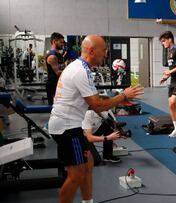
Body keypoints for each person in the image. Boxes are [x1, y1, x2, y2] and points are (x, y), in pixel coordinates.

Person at [48, 35, 144, 203]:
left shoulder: (81, 67)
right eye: (104, 50)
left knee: (88, 164)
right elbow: (96, 106)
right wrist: (122, 96)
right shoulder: (81, 71)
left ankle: (88, 201)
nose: (106, 54)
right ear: (92, 51)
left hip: (71, 125)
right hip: (66, 128)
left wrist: (117, 98)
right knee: (76, 175)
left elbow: (94, 99)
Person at [46, 32, 66, 105]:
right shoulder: (52, 56)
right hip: (53, 86)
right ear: (54, 41)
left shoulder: (59, 54)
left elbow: (62, 68)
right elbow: (58, 73)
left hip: (59, 85)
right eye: (61, 42)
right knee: (54, 108)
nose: (63, 44)